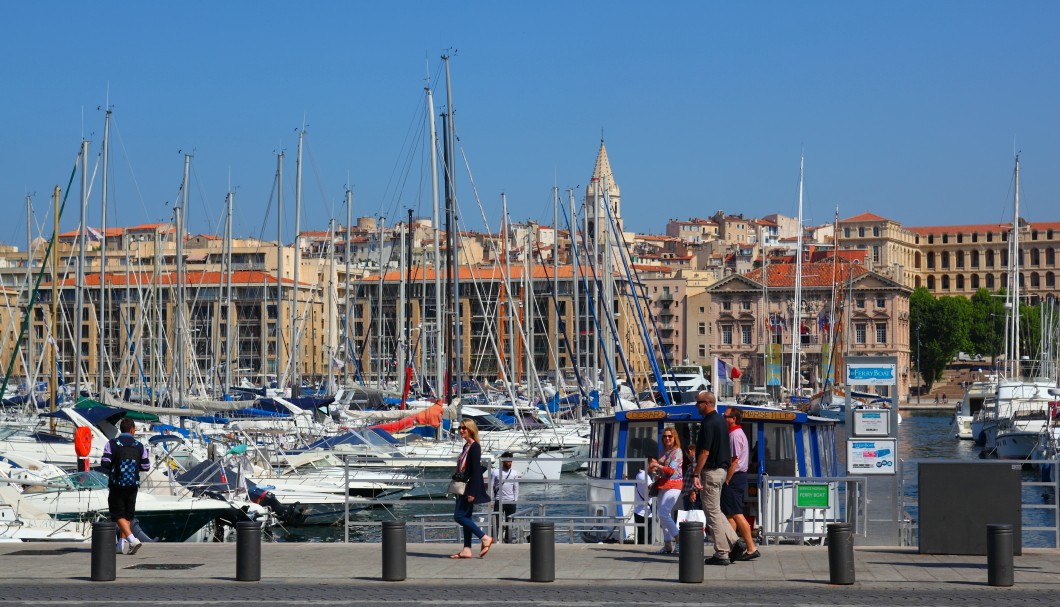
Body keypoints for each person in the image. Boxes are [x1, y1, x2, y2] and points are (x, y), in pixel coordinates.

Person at [692, 391, 740, 565]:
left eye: (698, 403)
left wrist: (695, 473)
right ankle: (735, 541)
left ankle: (721, 553)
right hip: (721, 471)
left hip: (711, 472)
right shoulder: (720, 421)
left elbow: (705, 452)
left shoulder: (708, 423)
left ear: (707, 403)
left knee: (711, 513)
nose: (696, 405)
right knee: (716, 510)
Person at [99, 418, 150, 555]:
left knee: (117, 514)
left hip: (117, 484)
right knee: (127, 514)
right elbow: (146, 466)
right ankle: (120, 544)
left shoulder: (112, 444)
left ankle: (132, 540)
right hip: (133, 484)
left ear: (121, 429)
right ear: (132, 430)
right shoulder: (140, 446)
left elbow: (105, 463)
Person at [449, 419, 494, 559]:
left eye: (464, 428)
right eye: (460, 428)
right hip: (461, 486)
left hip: (468, 488)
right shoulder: (466, 447)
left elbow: (475, 471)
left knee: (459, 516)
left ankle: (484, 537)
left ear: (471, 430)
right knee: (466, 516)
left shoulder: (474, 447)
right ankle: (467, 549)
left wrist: (473, 492)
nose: (461, 430)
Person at [722, 407, 760, 561]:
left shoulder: (735, 435)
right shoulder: (736, 434)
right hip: (737, 476)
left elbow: (734, 461)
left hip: (735, 476)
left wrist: (727, 480)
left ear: (733, 419)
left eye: (726, 416)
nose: (723, 418)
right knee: (730, 514)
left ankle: (751, 547)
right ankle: (731, 548)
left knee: (737, 513)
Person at [652, 427, 684, 554]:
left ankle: (679, 539)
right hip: (662, 485)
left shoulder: (677, 452)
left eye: (670, 436)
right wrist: (655, 469)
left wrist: (657, 465)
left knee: (664, 513)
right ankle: (667, 544)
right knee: (663, 514)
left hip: (674, 485)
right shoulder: (663, 451)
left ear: (674, 437)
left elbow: (670, 470)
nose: (667, 438)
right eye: (665, 436)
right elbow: (662, 468)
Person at [490, 451, 521, 543]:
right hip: (499, 501)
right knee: (496, 522)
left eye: (511, 461)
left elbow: (516, 488)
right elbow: (491, 487)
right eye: (508, 461)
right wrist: (492, 500)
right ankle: (493, 540)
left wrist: (515, 500)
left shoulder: (514, 473)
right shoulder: (495, 472)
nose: (510, 463)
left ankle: (508, 540)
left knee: (510, 522)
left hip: (511, 501)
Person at [633, 457, 656, 545]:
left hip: (642, 511)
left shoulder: (640, 474)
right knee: (646, 540)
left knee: (643, 539)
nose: (656, 467)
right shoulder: (644, 476)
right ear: (648, 465)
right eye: (654, 465)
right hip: (644, 513)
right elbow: (651, 487)